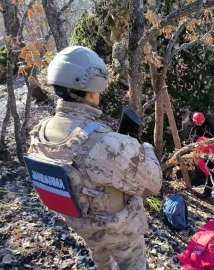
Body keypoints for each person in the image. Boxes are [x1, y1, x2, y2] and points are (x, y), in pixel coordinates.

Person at [27, 46, 162, 270]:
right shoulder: (108, 144)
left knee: (101, 261)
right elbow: (154, 183)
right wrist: (142, 147)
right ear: (92, 91)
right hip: (121, 231)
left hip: (81, 225)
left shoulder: (39, 132)